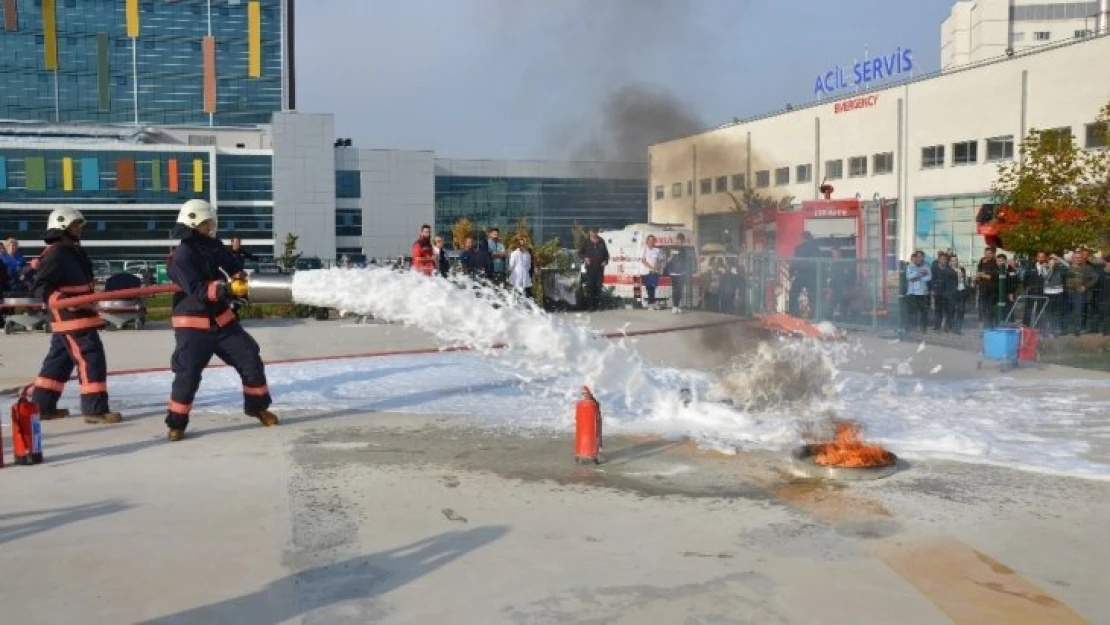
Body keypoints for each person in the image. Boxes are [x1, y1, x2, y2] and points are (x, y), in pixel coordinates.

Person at [164, 199, 278, 441]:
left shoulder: (212, 245)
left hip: (222, 320)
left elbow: (231, 264)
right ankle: (177, 424)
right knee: (188, 374)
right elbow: (196, 289)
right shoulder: (181, 257)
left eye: (211, 223)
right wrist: (227, 289)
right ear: (193, 223)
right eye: (206, 223)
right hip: (193, 325)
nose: (211, 227)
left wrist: (239, 272)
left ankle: (257, 407)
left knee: (250, 357)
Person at [30, 207, 123, 424]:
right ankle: (95, 410)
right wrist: (63, 301)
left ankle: (42, 406)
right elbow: (40, 288)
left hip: (80, 315)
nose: (79, 230)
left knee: (58, 362)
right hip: (72, 318)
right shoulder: (56, 253)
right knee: (91, 358)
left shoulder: (72, 250)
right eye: (75, 225)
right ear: (62, 226)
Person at [578, 227, 609, 311]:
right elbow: (580, 253)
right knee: (591, 286)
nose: (594, 233)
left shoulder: (601, 241)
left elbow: (606, 254)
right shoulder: (586, 242)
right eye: (592, 232)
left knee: (599, 286)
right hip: (590, 268)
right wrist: (585, 258)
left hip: (600, 268)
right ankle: (591, 306)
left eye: (596, 232)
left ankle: (598, 305)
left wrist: (605, 261)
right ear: (589, 232)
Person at [640, 235, 663, 309]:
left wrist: (657, 266)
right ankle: (651, 303)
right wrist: (651, 268)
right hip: (646, 272)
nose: (651, 242)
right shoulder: (644, 249)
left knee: (653, 287)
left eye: (652, 240)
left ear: (654, 241)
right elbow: (643, 260)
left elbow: (660, 259)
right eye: (649, 240)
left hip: (654, 272)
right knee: (649, 287)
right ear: (647, 241)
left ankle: (652, 303)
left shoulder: (656, 250)